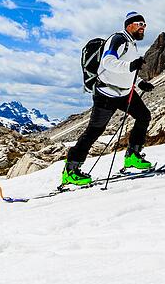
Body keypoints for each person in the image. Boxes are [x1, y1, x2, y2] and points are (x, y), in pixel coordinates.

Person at [61, 11, 156, 186]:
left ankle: (132, 157)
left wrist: (140, 83)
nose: (143, 27)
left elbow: (128, 71)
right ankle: (70, 170)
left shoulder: (132, 44)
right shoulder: (118, 39)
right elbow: (108, 62)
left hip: (126, 92)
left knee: (144, 116)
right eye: (139, 24)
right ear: (129, 25)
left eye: (144, 25)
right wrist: (131, 65)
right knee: (94, 131)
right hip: (106, 94)